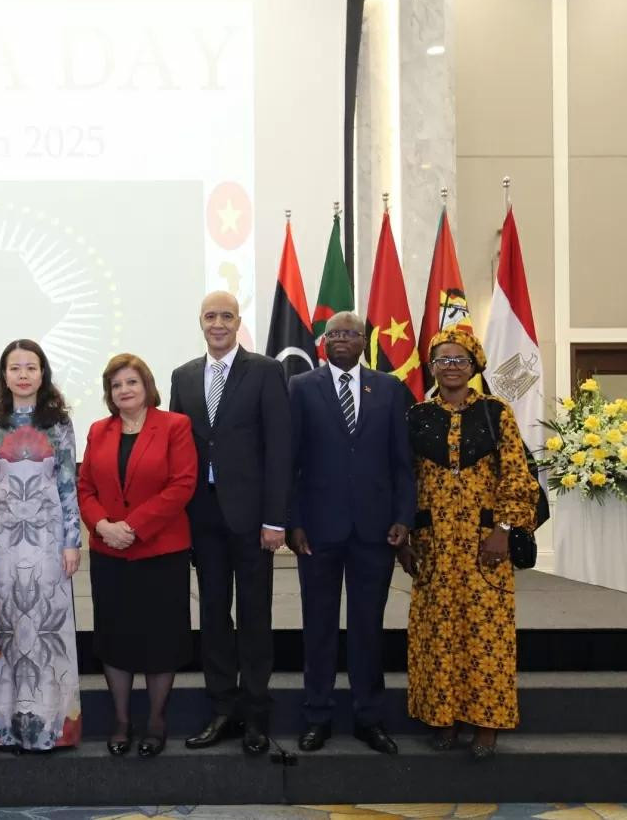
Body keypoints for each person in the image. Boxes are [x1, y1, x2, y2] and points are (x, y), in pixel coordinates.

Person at [402, 328, 537, 759]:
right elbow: (405, 480)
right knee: (438, 636)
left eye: (460, 359)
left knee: (485, 638)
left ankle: (486, 724)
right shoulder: (417, 415)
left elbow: (518, 476)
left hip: (484, 546)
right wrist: (404, 535)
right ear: (432, 366)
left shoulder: (495, 412)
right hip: (434, 545)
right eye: (442, 360)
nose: (451, 367)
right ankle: (444, 718)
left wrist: (503, 529)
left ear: (474, 364)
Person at [286, 312, 414, 755]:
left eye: (351, 333)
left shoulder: (391, 389)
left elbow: (403, 462)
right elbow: (291, 462)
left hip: (375, 531)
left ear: (365, 341)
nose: (342, 339)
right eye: (335, 333)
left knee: (368, 627)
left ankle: (368, 718)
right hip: (317, 531)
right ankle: (317, 715)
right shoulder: (301, 388)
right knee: (318, 627)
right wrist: (294, 521)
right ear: (323, 342)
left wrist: (404, 516)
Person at [170, 290, 291, 756]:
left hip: (254, 520)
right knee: (214, 617)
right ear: (200, 322)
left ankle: (256, 715)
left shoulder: (265, 371)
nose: (217, 323)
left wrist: (276, 518)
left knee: (256, 616)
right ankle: (222, 709)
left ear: (238, 321)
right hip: (203, 516)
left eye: (226, 316)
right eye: (209, 316)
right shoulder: (183, 376)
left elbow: (280, 448)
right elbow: (180, 451)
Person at [0, 339, 83, 751]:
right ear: (4, 376)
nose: (23, 375)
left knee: (48, 628)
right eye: (14, 368)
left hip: (49, 542)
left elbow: (69, 487)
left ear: (42, 373)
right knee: (3, 630)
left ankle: (50, 725)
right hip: (1, 543)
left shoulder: (60, 425)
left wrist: (73, 541)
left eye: (31, 368)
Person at [77, 353, 197, 757]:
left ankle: (157, 719)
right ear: (109, 394)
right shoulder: (98, 430)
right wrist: (104, 526)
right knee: (115, 637)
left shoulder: (174, 426)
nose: (124, 390)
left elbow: (182, 485)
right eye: (116, 385)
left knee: (161, 637)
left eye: (132, 382)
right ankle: (122, 720)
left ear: (147, 386)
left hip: (161, 552)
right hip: (110, 553)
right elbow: (85, 488)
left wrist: (134, 526)